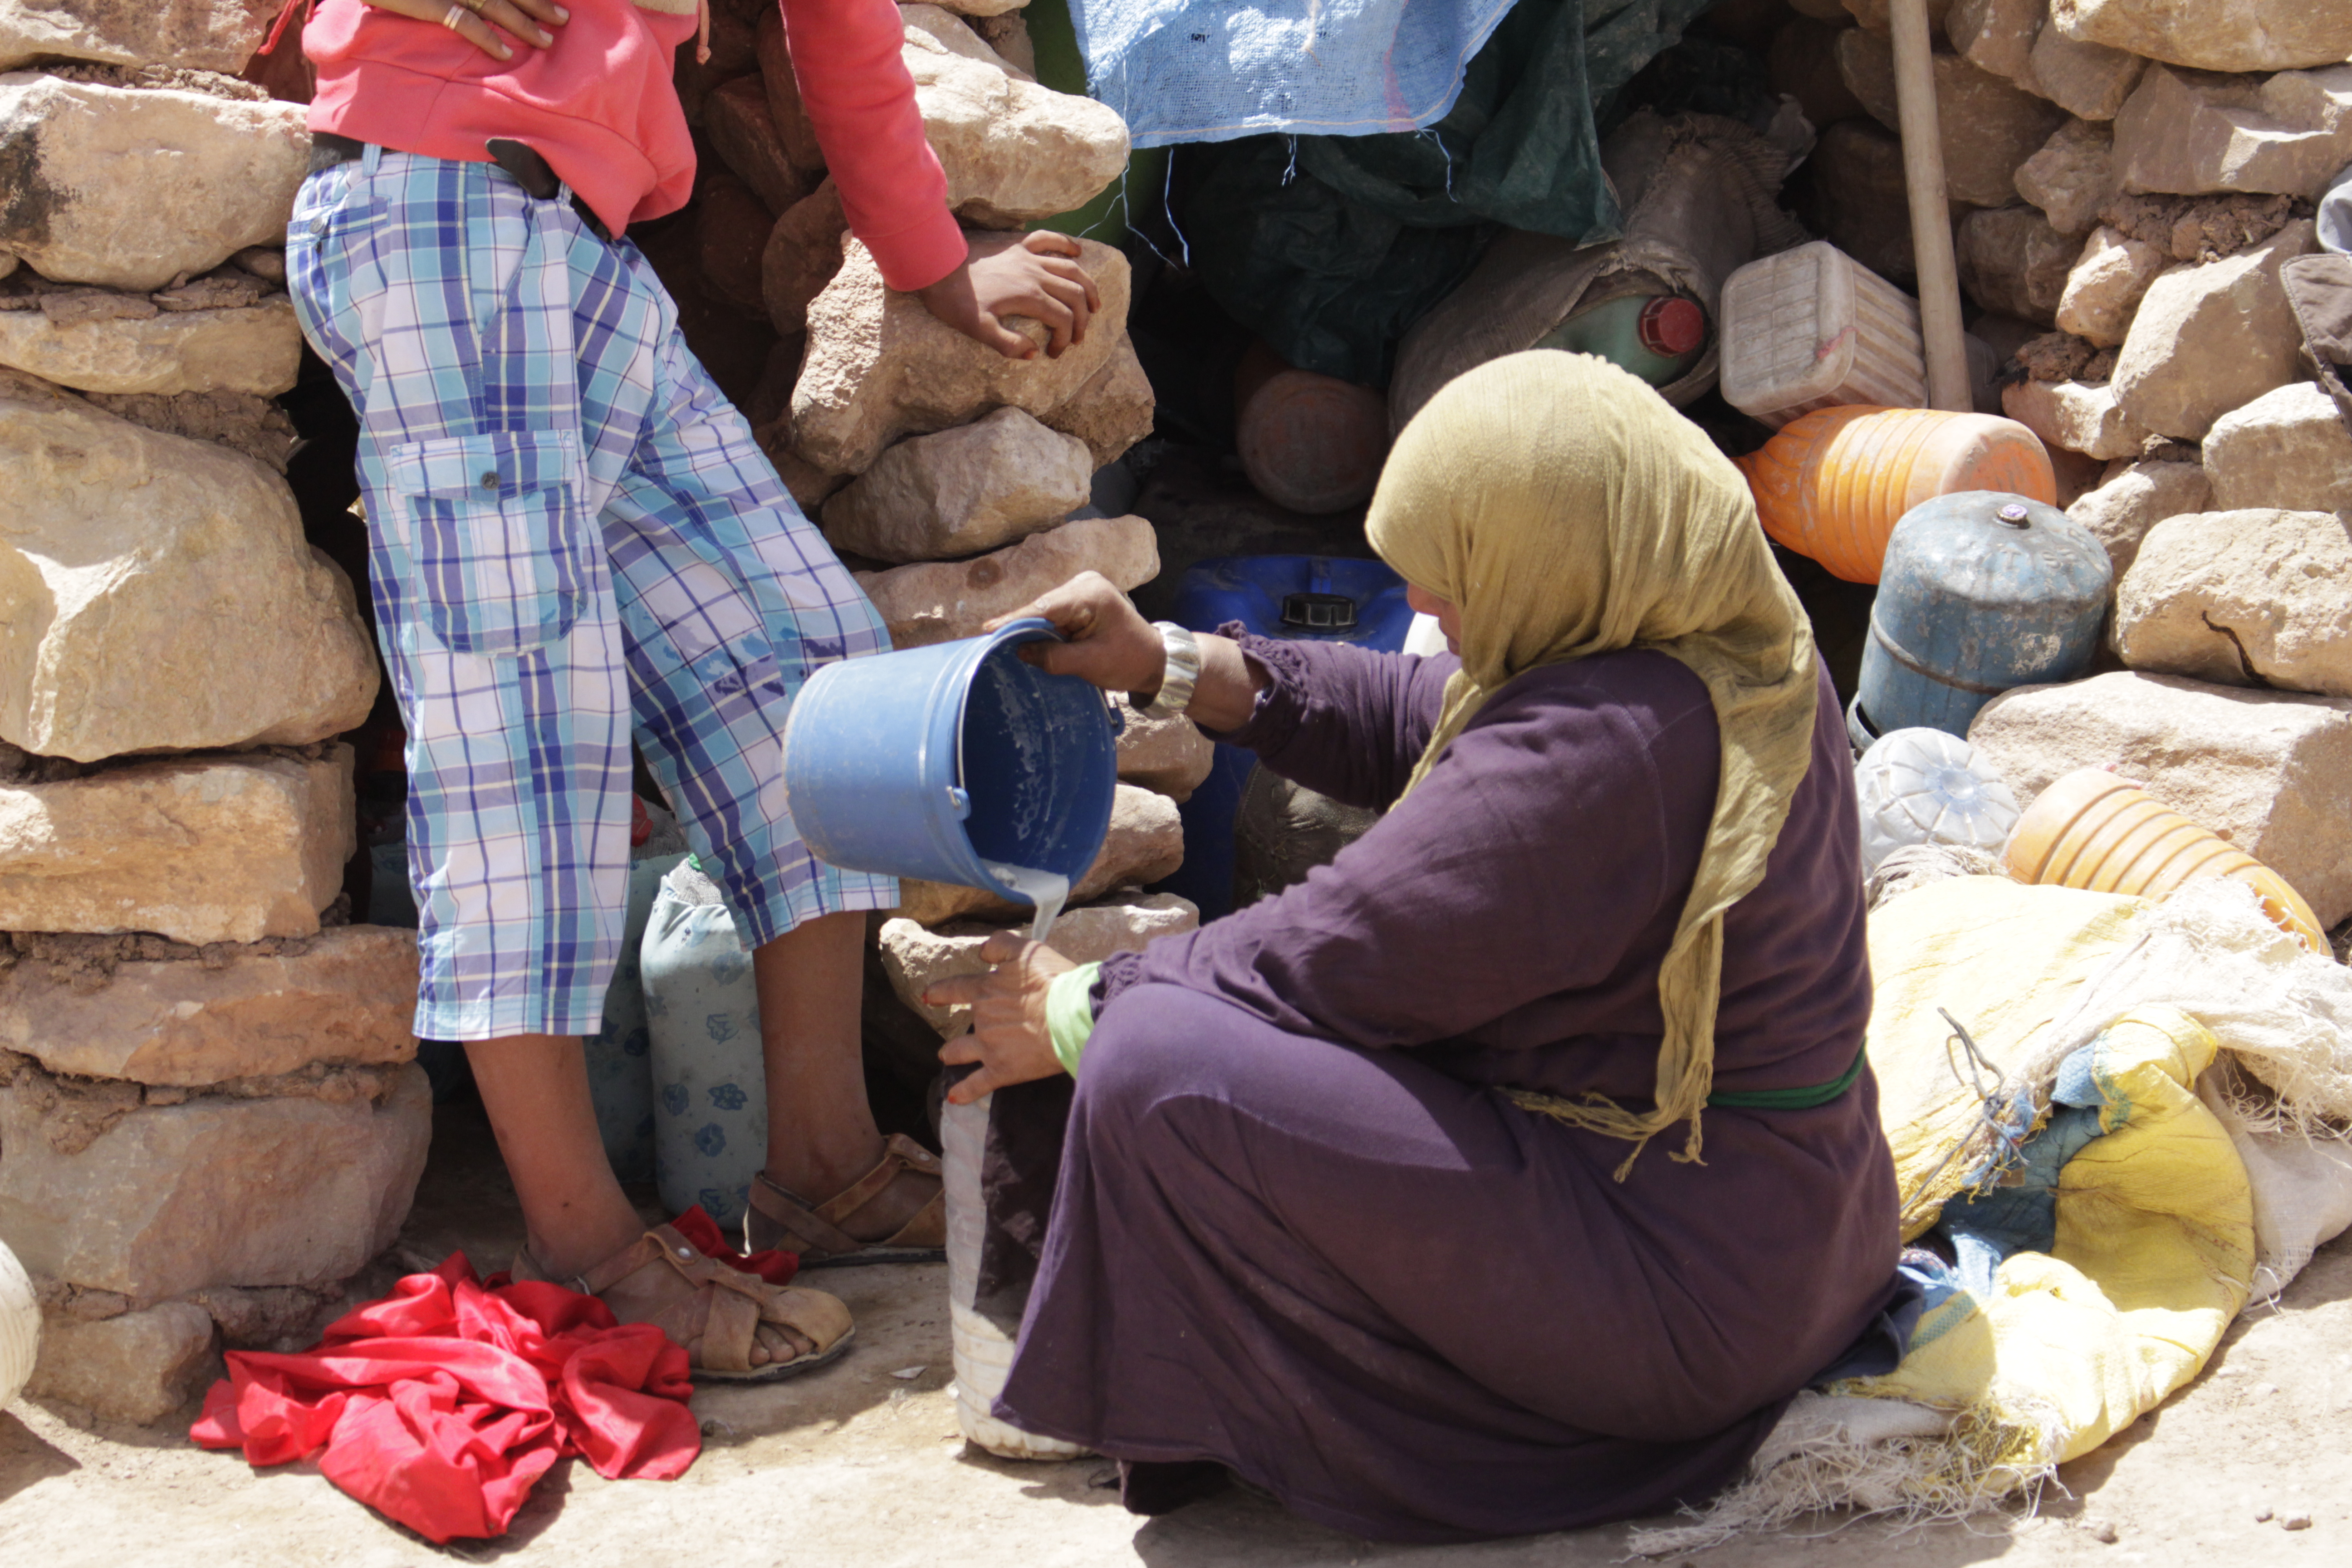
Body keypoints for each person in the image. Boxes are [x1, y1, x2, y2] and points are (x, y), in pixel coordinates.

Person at [928, 352, 1906, 1539]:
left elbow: (1333, 952)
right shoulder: (1726, 644)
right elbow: (1417, 709)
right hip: (1795, 1237)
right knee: (1165, 1029)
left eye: (1451, 579)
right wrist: (1163, 663)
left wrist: (1081, 1004)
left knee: (1156, 1063)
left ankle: (1275, 1411)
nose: (1432, 613)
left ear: (1561, 549)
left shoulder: (1610, 750)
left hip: (1678, 1300)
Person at [288, 0, 1098, 1378]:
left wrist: (934, 259)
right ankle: (583, 1240)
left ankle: (823, 1166)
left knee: (810, 662)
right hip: (439, 215)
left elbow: (844, 35)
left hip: (586, 255)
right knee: (531, 733)